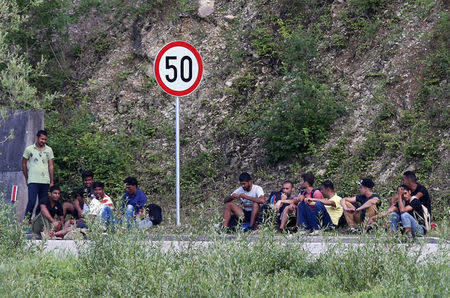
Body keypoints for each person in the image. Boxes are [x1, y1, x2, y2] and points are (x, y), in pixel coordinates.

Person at [22, 130, 54, 221]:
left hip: (45, 182)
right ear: (37, 138)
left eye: (45, 139)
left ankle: (37, 225)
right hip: (33, 181)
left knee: (42, 204)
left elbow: (51, 166)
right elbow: (24, 164)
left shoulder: (49, 150)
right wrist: (26, 178)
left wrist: (52, 181)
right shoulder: (29, 149)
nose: (43, 141)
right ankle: (26, 224)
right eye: (42, 139)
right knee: (31, 202)